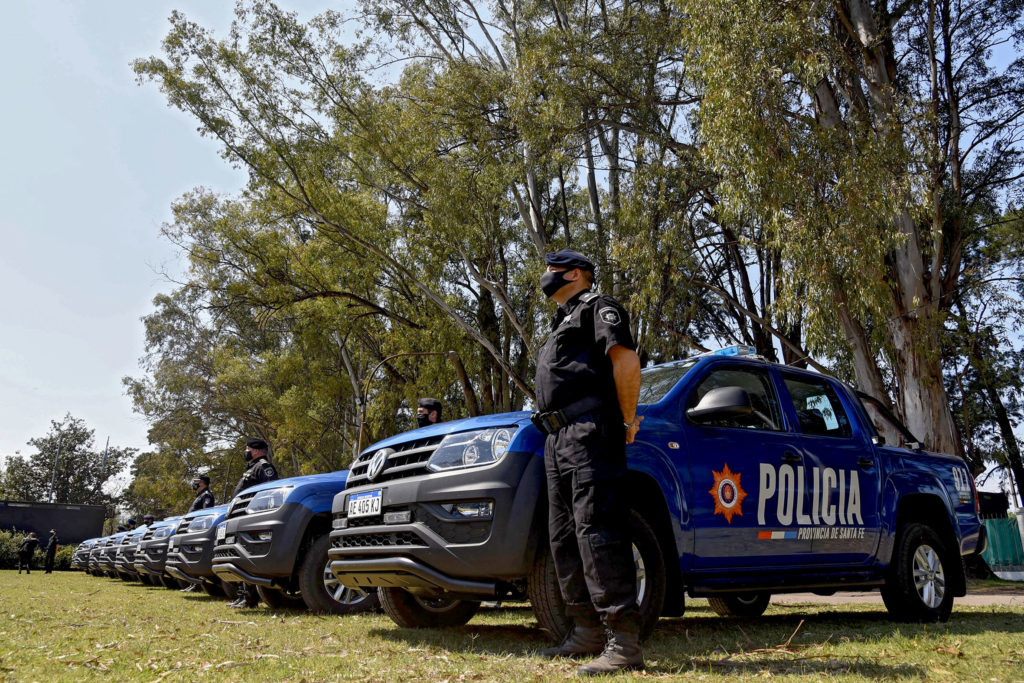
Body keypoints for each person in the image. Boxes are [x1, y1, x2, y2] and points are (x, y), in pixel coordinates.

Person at [532, 249, 645, 676]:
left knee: (599, 532)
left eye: (552, 270)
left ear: (575, 274)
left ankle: (624, 643)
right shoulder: (562, 320)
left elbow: (626, 360)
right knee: (564, 537)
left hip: (589, 432)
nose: (546, 276)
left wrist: (628, 420)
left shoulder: (599, 308)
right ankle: (585, 630)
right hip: (556, 438)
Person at [227, 437, 279, 608]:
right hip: (240, 517)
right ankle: (243, 595)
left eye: (247, 449)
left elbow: (270, 492)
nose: (246, 452)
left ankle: (250, 598)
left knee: (247, 554)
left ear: (256, 451)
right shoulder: (252, 467)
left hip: (251, 518)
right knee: (239, 555)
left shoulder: (264, 466)